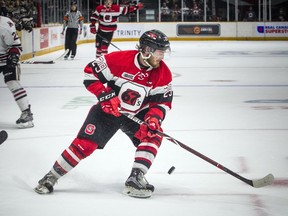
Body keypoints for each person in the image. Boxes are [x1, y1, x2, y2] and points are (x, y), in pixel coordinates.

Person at [34, 29, 173, 198]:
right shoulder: (118, 60)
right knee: (84, 145)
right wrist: (104, 95)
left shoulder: (163, 73)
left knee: (153, 135)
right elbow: (89, 72)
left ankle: (135, 178)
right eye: (159, 52)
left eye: (163, 52)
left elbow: (161, 103)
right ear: (146, 50)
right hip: (108, 111)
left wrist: (153, 118)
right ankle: (51, 176)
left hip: (135, 115)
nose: (162, 57)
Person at [0, 15, 33, 128]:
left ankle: (26, 112)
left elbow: (16, 46)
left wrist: (13, 57)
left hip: (6, 59)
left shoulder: (5, 25)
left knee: (12, 83)